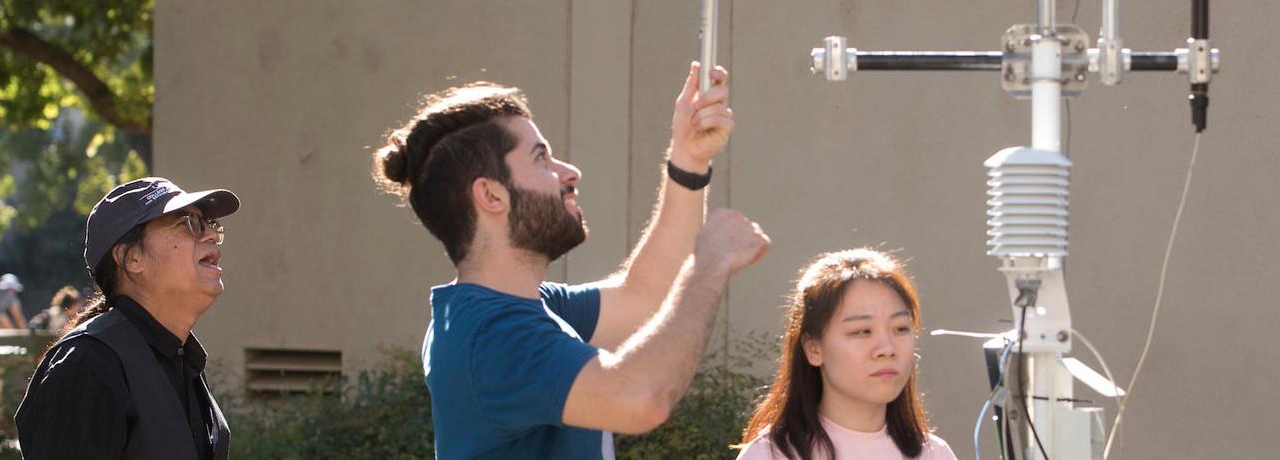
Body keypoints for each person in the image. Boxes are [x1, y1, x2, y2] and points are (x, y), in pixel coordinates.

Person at [371, 62, 769, 459]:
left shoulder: (525, 310)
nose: (570, 172)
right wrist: (708, 266)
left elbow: (644, 296)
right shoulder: (493, 336)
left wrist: (689, 159)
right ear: (491, 196)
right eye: (541, 159)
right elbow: (640, 398)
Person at [14, 177, 240, 459]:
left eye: (210, 224)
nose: (210, 234)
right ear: (132, 258)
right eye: (189, 222)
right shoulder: (87, 367)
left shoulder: (182, 359)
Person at [737, 248, 956, 460]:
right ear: (813, 348)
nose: (887, 349)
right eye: (862, 331)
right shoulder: (769, 455)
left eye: (901, 328)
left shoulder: (934, 454)